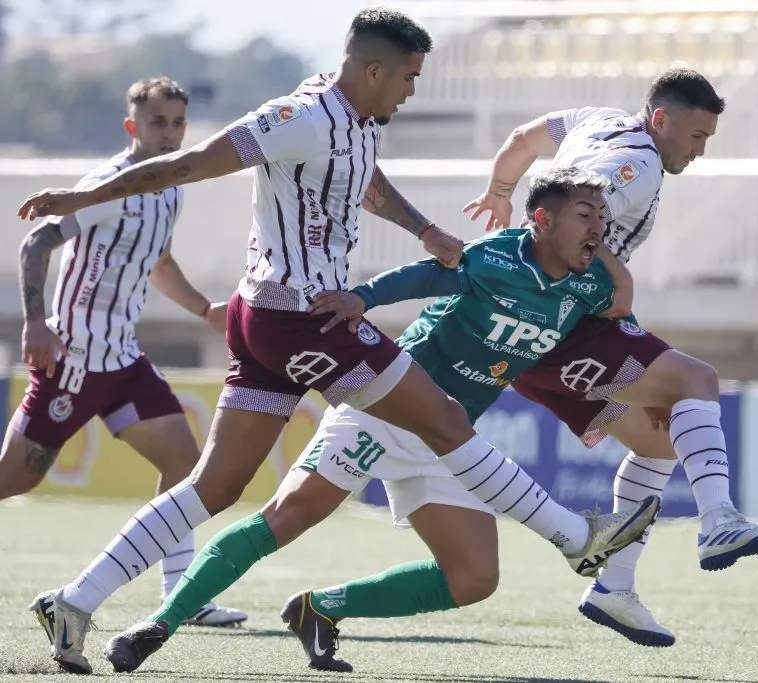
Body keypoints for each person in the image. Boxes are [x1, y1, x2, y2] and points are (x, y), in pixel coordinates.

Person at [16, 8, 652, 674]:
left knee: (215, 485)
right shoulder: (301, 116)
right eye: (407, 77)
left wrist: (424, 228)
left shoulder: (357, 122)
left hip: (272, 320)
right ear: (372, 70)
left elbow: (364, 184)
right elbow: (195, 163)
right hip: (299, 318)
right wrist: (77, 198)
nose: (410, 92)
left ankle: (74, 599)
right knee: (442, 415)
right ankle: (576, 535)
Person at [100, 167, 660, 673]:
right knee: (288, 516)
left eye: (604, 219)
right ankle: (160, 622)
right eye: (586, 215)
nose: (600, 229)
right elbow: (424, 275)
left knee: (473, 580)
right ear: (542, 219)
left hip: (451, 438)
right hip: (389, 406)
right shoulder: (497, 258)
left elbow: (609, 325)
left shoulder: (588, 287)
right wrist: (361, 298)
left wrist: (640, 389)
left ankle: (320, 609)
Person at [461, 68, 758, 646]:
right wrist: (622, 277)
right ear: (660, 119)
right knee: (697, 380)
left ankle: (613, 587)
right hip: (560, 320)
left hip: (535, 326)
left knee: (660, 439)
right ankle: (719, 521)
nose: (699, 151)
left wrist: (499, 190)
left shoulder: (595, 120)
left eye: (708, 139)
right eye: (695, 136)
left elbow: (521, 140)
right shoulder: (635, 165)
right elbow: (578, 216)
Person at [1, 76, 247, 674]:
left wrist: (204, 310)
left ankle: (180, 596)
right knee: (14, 481)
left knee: (187, 465)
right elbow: (37, 242)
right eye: (158, 123)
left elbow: (157, 260)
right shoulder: (109, 188)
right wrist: (37, 323)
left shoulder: (170, 188)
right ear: (132, 127)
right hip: (73, 362)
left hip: (124, 359)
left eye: (178, 124)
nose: (170, 133)